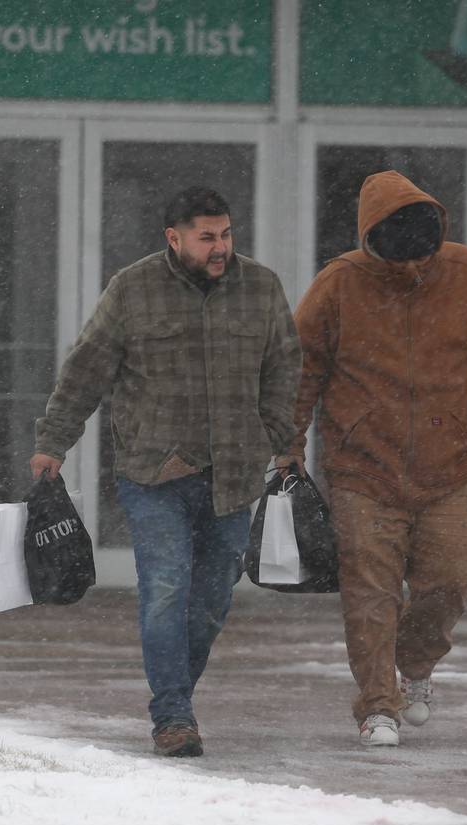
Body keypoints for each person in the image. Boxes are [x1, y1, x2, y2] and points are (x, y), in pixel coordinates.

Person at [31, 186, 301, 758]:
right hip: (153, 470)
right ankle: (173, 715)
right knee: (165, 589)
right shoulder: (133, 289)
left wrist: (283, 440)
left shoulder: (261, 288)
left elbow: (283, 369)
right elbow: (87, 370)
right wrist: (55, 440)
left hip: (233, 470)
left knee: (210, 601)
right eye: (207, 237)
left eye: (225, 234)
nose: (220, 247)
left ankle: (177, 693)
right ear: (173, 238)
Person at [285, 170, 467, 747]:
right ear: (371, 237)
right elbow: (299, 372)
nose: (411, 262)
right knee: (370, 592)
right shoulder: (339, 285)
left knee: (454, 576)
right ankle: (377, 705)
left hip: (449, 468)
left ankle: (415, 664)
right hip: (362, 469)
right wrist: (288, 448)